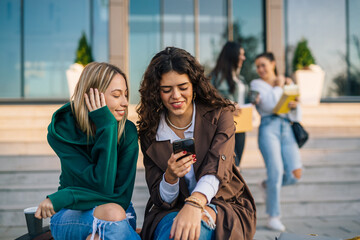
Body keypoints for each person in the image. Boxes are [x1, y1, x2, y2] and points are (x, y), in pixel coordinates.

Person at [137, 47, 256, 240]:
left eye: (183, 87)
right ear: (156, 92)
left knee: (195, 231)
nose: (176, 96)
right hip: (170, 210)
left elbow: (217, 167)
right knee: (174, 233)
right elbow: (161, 199)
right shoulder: (151, 131)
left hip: (222, 202)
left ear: (194, 85)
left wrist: (194, 204)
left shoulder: (220, 115)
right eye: (166, 90)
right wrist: (170, 177)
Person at [34, 62, 141, 240]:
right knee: (111, 214)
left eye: (126, 94)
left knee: (105, 225)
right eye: (116, 95)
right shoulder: (63, 132)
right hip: (71, 213)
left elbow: (119, 197)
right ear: (92, 95)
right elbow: (101, 184)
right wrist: (106, 125)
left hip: (119, 211)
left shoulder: (127, 132)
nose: (125, 102)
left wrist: (64, 196)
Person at [250, 52, 303, 232]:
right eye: (257, 66)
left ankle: (266, 184)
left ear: (273, 63)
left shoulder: (287, 82)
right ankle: (273, 216)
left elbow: (294, 108)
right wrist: (280, 86)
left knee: (295, 175)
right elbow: (268, 106)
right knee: (276, 170)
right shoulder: (256, 84)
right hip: (268, 128)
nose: (260, 69)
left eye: (263, 64)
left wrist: (295, 105)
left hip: (286, 127)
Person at [210, 41, 247, 167]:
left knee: (236, 168)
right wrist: (227, 104)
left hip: (241, 126)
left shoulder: (240, 79)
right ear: (232, 55)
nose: (244, 58)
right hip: (225, 126)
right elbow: (207, 100)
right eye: (241, 54)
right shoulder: (215, 78)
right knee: (231, 165)